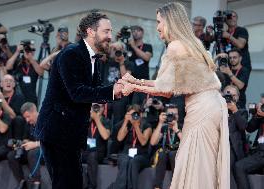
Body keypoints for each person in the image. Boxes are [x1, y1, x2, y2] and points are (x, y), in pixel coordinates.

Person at [119, 2, 230, 189]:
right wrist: (136, 82)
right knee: (203, 166)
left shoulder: (176, 46)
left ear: (170, 21)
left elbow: (165, 90)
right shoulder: (192, 43)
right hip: (211, 105)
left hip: (202, 110)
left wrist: (134, 87)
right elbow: (165, 84)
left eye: (159, 22)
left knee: (196, 166)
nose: (157, 27)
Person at [34, 12, 122, 189]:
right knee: (65, 184)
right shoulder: (71, 54)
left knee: (73, 184)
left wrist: (120, 87)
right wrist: (113, 90)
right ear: (90, 31)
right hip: (57, 131)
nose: (110, 36)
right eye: (106, 31)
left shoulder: (95, 60)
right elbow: (78, 93)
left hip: (71, 133)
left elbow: (95, 92)